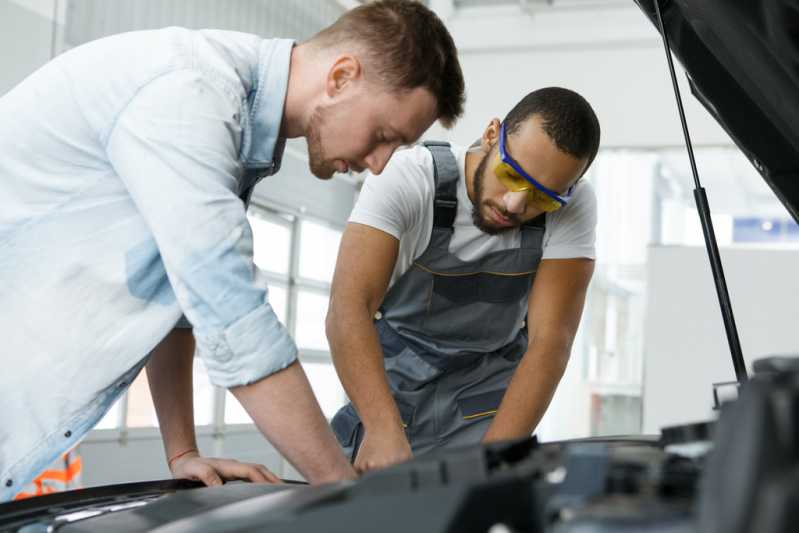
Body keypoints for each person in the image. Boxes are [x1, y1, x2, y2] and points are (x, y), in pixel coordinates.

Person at [0, 0, 465, 501]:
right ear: (342, 75)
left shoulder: (229, 120)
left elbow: (178, 294)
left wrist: (181, 452)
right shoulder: (191, 97)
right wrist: (343, 495)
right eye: (382, 136)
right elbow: (234, 319)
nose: (378, 165)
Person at [326, 87, 599, 473]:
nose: (516, 205)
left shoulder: (574, 205)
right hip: (389, 403)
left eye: (543, 198)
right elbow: (348, 309)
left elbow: (550, 341)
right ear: (492, 134)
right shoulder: (409, 179)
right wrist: (381, 428)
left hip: (485, 409)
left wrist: (491, 462)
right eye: (511, 175)